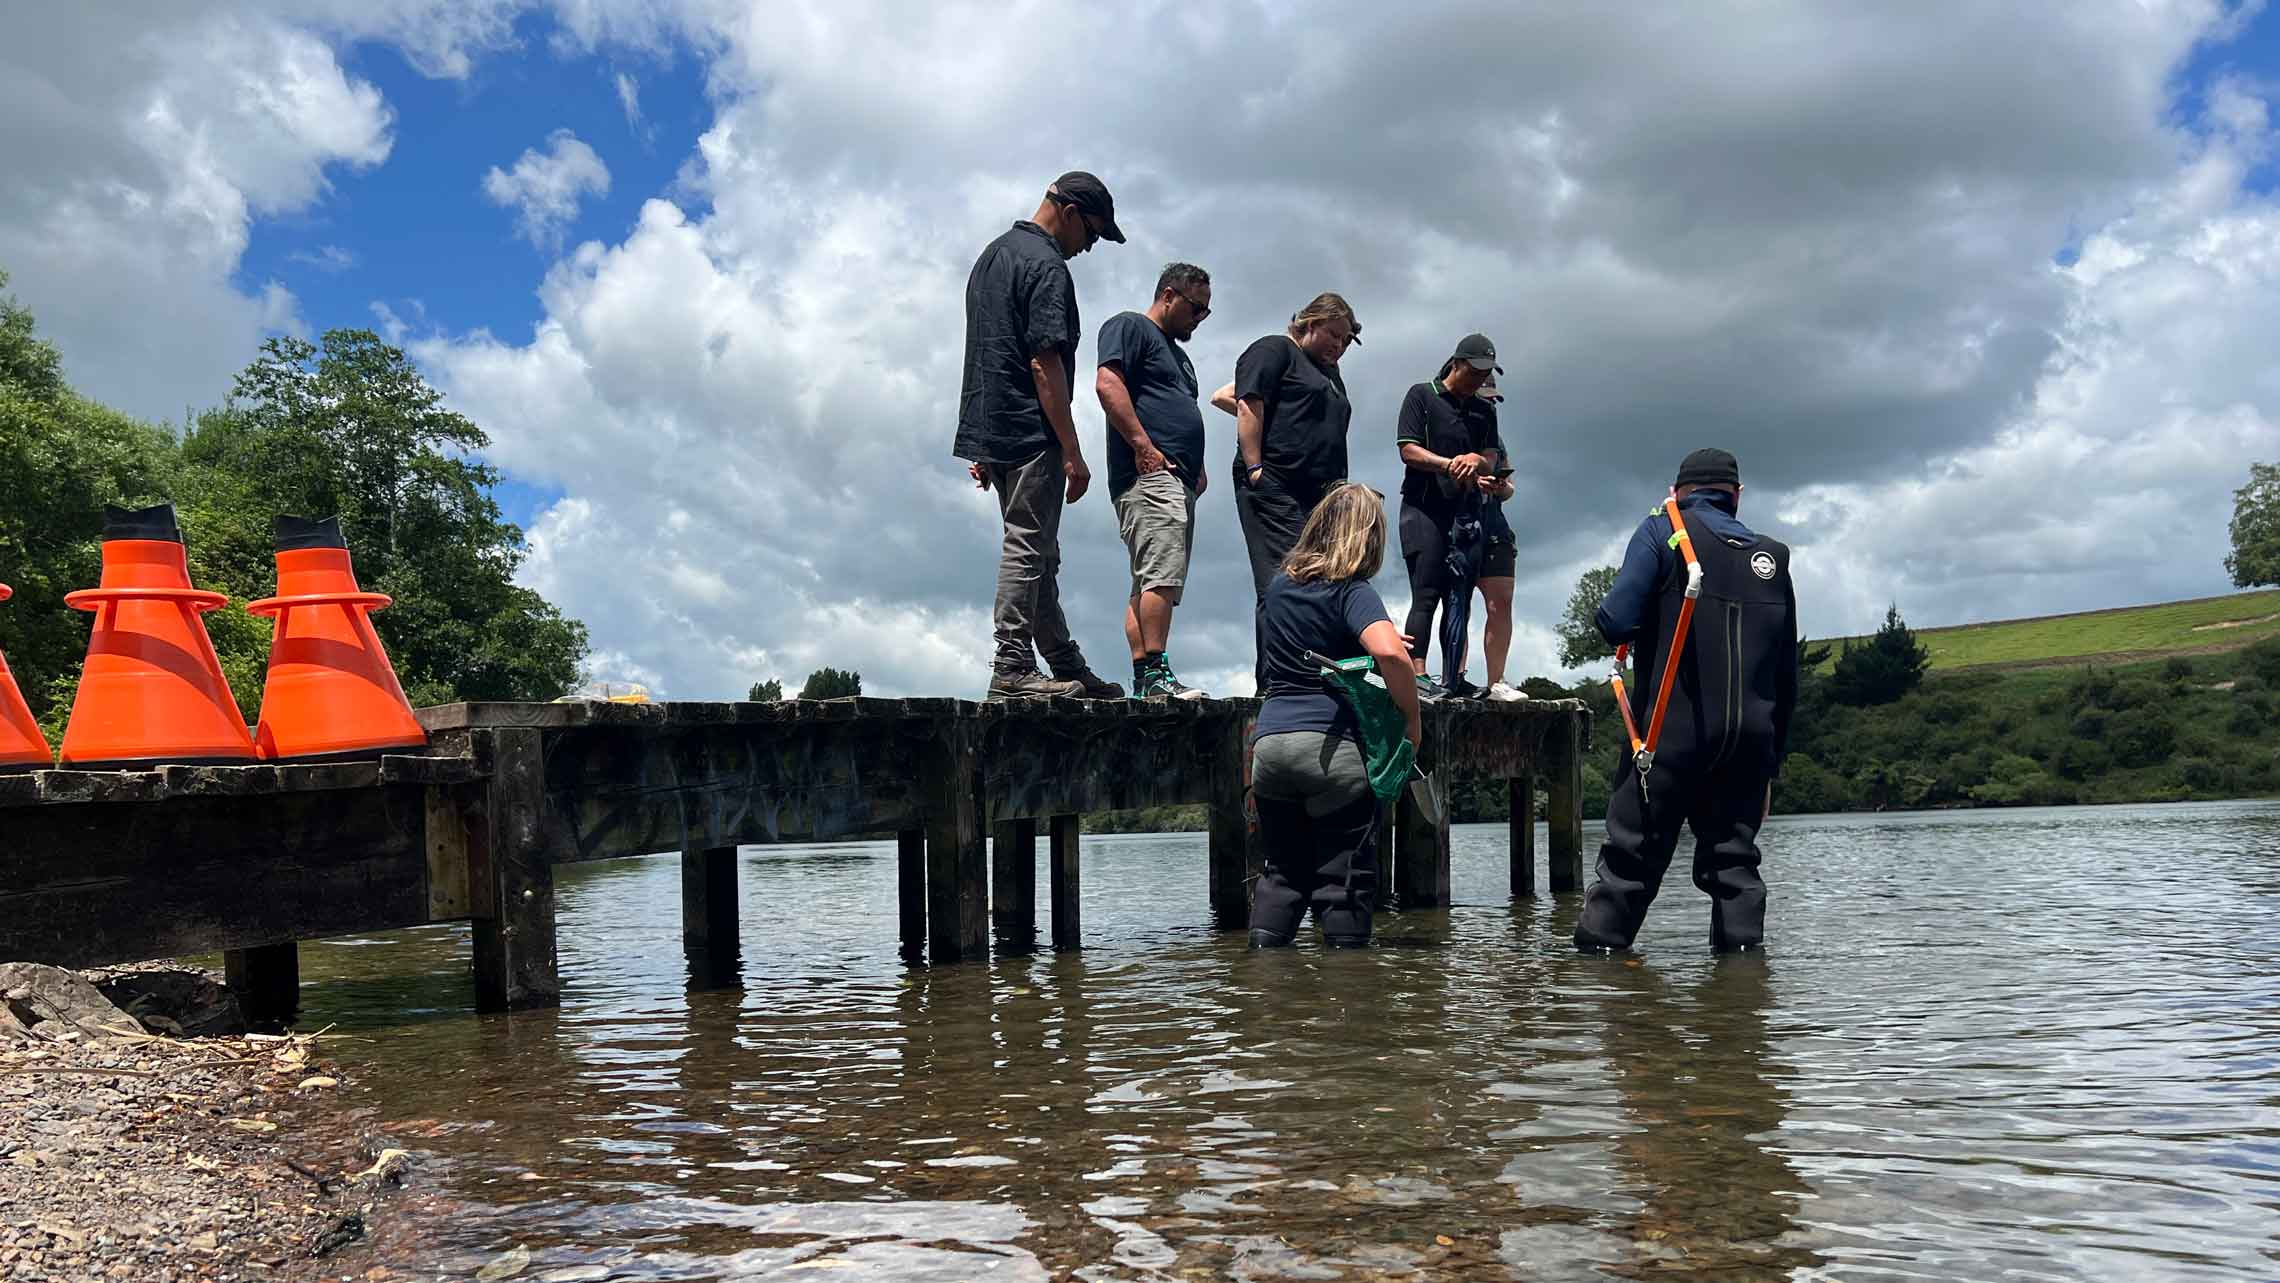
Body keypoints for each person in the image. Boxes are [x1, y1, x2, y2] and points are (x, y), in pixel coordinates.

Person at [1574, 448, 1799, 953]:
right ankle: (1741, 1006)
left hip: (1669, 738)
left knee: (1628, 869)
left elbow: (1614, 620)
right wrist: (1770, 769)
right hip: (1749, 744)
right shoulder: (1775, 558)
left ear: (1678, 492)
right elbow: (1786, 678)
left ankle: (1599, 987)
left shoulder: (1663, 530)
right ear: (1736, 496)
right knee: (1735, 870)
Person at [953, 172, 1129, 700]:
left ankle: (1061, 661)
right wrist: (1072, 450)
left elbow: (987, 349)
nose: (1089, 248)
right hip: (1031, 426)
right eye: (1093, 234)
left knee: (1041, 549)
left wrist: (984, 442)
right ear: (1071, 212)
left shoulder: (992, 255)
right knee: (1029, 544)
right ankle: (1010, 664)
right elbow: (1042, 360)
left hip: (994, 422)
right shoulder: (1046, 265)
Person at [1246, 482, 1420, 948]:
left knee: (1282, 872)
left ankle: (1267, 990)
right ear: (1367, 537)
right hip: (1330, 749)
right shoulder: (1351, 590)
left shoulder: (1278, 587)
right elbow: (1392, 658)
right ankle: (1349, 998)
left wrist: (1363, 647)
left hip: (1271, 747)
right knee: (1344, 879)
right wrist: (1411, 720)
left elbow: (1294, 650)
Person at [1097, 263, 1214, 700]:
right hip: (1150, 474)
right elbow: (1108, 384)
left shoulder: (1179, 356)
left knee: (1150, 579)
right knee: (1161, 577)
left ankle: (1146, 677)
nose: (1199, 318)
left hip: (1178, 475)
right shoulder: (1129, 327)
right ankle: (1157, 673)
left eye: (1207, 312)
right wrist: (1143, 446)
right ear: (1169, 295)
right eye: (1195, 308)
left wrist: (1196, 464)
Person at [1210, 293, 1361, 606]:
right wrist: (1255, 469)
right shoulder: (1275, 349)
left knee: (1317, 583)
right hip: (1278, 486)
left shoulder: (1327, 373)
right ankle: (1278, 656)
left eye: (1345, 340)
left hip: (1319, 498)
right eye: (1333, 334)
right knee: (1285, 582)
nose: (1339, 345)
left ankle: (1304, 653)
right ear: (1310, 322)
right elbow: (1243, 400)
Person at [1394, 334, 1517, 700]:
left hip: (1464, 513)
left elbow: (1491, 455)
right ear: (1457, 364)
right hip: (1423, 507)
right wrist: (1449, 465)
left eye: (1486, 374)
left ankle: (1453, 676)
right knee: (1427, 591)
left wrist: (1478, 463)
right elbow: (1408, 449)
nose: (1480, 380)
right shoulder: (1422, 395)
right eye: (1475, 372)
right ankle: (1418, 674)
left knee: (1458, 596)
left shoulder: (1484, 411)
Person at [1473, 373, 1522, 701]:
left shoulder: (1497, 439)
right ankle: (1452, 677)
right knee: (1454, 605)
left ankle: (1497, 681)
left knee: (1501, 602)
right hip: (1455, 526)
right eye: (1485, 396)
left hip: (1494, 524)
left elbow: (1510, 489)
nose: (1491, 402)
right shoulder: (1449, 425)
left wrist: (1503, 487)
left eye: (1494, 398)